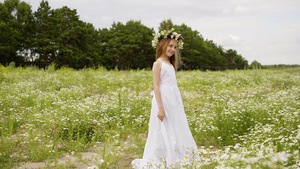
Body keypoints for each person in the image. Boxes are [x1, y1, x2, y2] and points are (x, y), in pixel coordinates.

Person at [131, 29, 200, 168]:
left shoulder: (170, 64)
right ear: (163, 45)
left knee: (175, 126)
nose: (173, 49)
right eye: (170, 46)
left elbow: (172, 86)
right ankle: (163, 156)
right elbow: (156, 87)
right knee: (162, 128)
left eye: (175, 47)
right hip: (162, 101)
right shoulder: (158, 64)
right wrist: (161, 108)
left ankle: (176, 154)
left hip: (173, 101)